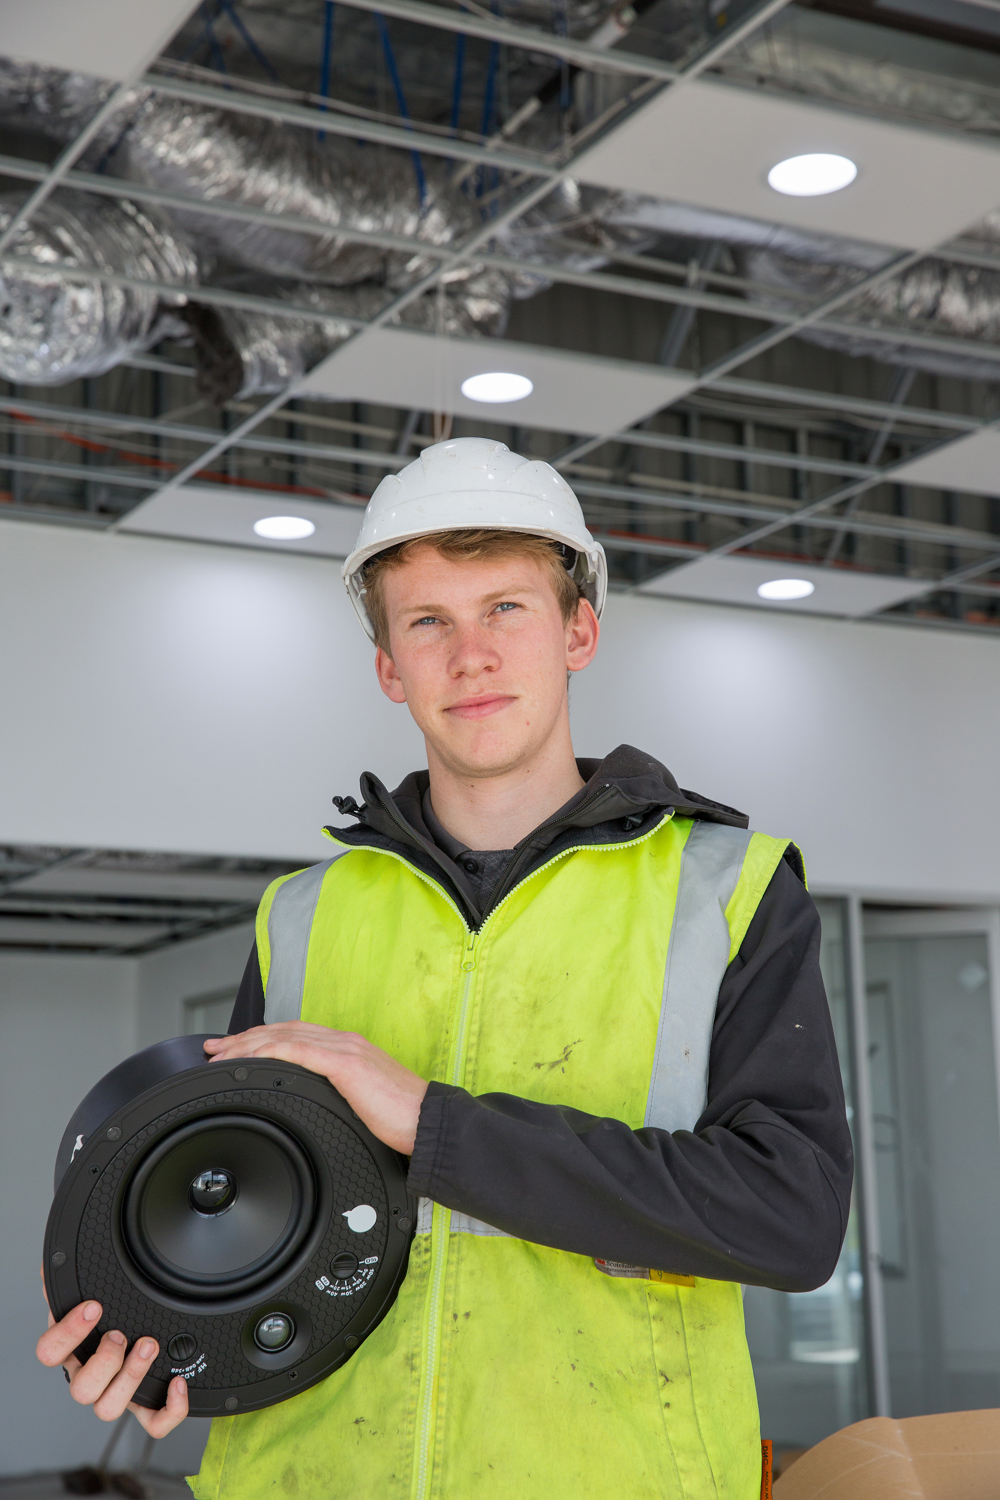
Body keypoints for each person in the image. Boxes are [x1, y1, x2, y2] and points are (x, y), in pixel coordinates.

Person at [38, 437, 853, 1499]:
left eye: (506, 609)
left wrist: (433, 1124)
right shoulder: (302, 914)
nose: (469, 655)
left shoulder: (727, 890)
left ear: (579, 631)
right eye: (428, 621)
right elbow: (244, 1208)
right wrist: (158, 1351)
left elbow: (788, 1220)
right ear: (388, 664)